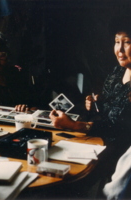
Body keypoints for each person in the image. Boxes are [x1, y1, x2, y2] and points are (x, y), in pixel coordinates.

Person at [49, 15, 131, 198]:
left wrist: (75, 125)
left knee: (67, 182)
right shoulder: (118, 71)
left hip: (119, 156)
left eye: (126, 42)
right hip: (99, 143)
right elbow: (109, 111)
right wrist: (95, 104)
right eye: (117, 42)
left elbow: (120, 129)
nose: (120, 49)